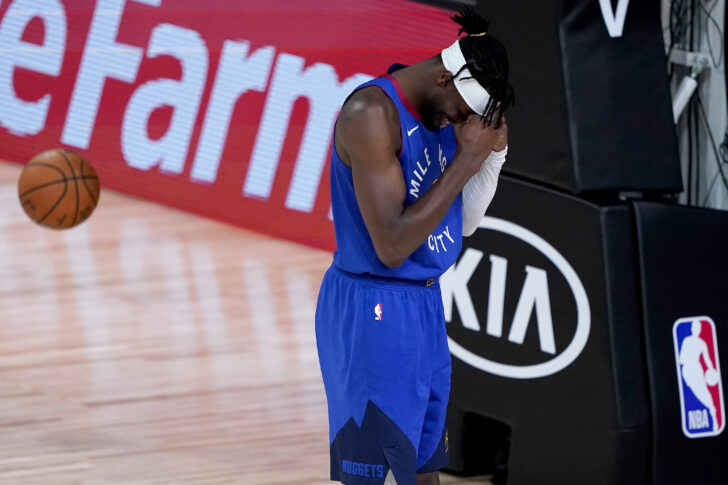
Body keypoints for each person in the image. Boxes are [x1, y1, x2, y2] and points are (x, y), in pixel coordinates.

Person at [315, 8, 514, 485]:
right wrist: (468, 160)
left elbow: (461, 224)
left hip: (423, 302)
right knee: (368, 477)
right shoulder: (370, 114)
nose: (462, 125)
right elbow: (392, 245)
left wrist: (494, 158)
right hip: (373, 307)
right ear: (446, 77)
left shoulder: (447, 115)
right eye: (463, 113)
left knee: (424, 468)